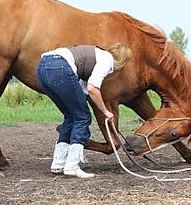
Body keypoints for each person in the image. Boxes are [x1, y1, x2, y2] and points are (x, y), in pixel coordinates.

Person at [37, 43, 132, 178]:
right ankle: (72, 166)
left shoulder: (95, 55)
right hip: (60, 68)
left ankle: (58, 164)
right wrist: (106, 112)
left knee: (71, 116)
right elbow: (93, 88)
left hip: (43, 68)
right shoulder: (107, 60)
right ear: (122, 60)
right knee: (83, 117)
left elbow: (83, 88)